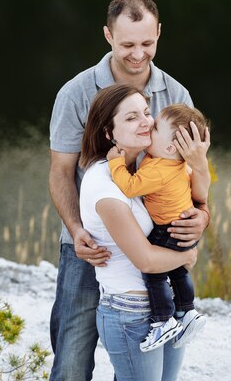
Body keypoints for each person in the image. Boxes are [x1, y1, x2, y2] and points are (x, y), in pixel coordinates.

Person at [49, 0, 210, 380]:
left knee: (149, 350)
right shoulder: (76, 93)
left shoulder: (176, 96)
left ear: (159, 32)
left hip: (152, 239)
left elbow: (191, 173)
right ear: (107, 35)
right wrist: (76, 230)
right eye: (127, 45)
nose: (138, 54)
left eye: (147, 43)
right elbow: (60, 172)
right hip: (91, 245)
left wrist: (202, 217)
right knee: (72, 352)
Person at [79, 84, 203, 381]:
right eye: (131, 118)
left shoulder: (151, 166)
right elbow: (146, 261)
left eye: (147, 113)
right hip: (130, 315)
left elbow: (194, 200)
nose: (147, 122)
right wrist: (189, 253)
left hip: (167, 310)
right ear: (109, 133)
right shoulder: (104, 185)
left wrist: (201, 176)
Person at [106, 104, 211, 352]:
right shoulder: (175, 164)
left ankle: (162, 320)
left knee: (155, 276)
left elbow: (130, 187)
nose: (148, 128)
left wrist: (116, 163)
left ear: (170, 148)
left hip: (168, 229)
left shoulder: (157, 170)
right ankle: (187, 311)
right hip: (180, 227)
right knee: (178, 272)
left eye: (154, 129)